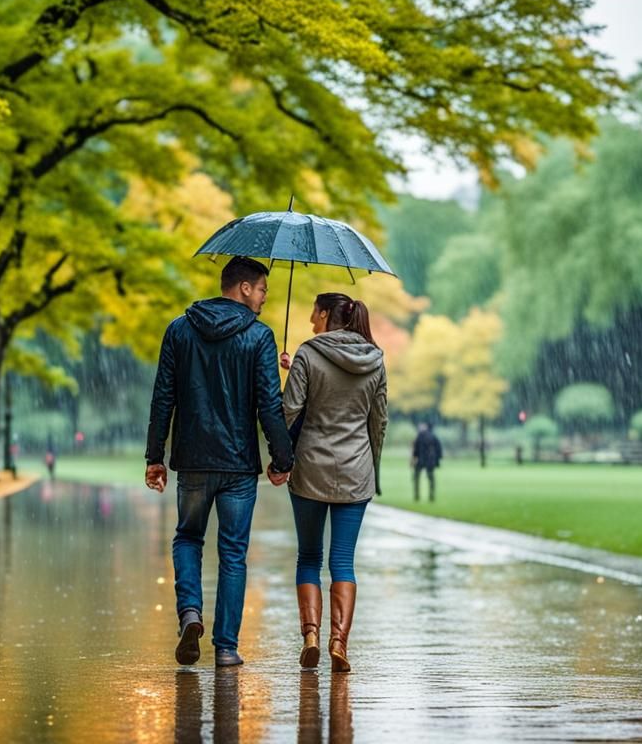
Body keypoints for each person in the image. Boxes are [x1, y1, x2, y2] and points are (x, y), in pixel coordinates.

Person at [146, 256, 295, 668]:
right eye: (263, 289)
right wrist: (283, 457)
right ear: (244, 288)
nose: (265, 299)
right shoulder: (259, 337)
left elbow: (163, 398)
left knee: (188, 538)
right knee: (233, 553)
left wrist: (154, 456)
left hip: (193, 459)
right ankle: (226, 647)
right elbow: (269, 405)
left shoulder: (179, 329)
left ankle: (190, 612)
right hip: (237, 466)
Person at [279, 293, 386, 673]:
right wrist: (371, 466)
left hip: (310, 470)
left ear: (325, 314)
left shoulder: (309, 354)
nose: (310, 321)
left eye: (313, 313)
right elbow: (379, 421)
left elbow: (289, 411)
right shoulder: (375, 360)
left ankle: (310, 635)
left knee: (309, 558)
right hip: (356, 473)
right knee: (343, 562)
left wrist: (289, 377)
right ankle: (338, 643)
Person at [412, 423, 442, 502]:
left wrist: (414, 459)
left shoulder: (419, 436)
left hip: (421, 460)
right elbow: (438, 448)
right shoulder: (433, 436)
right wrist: (437, 460)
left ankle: (416, 496)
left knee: (416, 477)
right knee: (431, 479)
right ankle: (431, 496)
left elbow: (416, 450)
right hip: (430, 461)